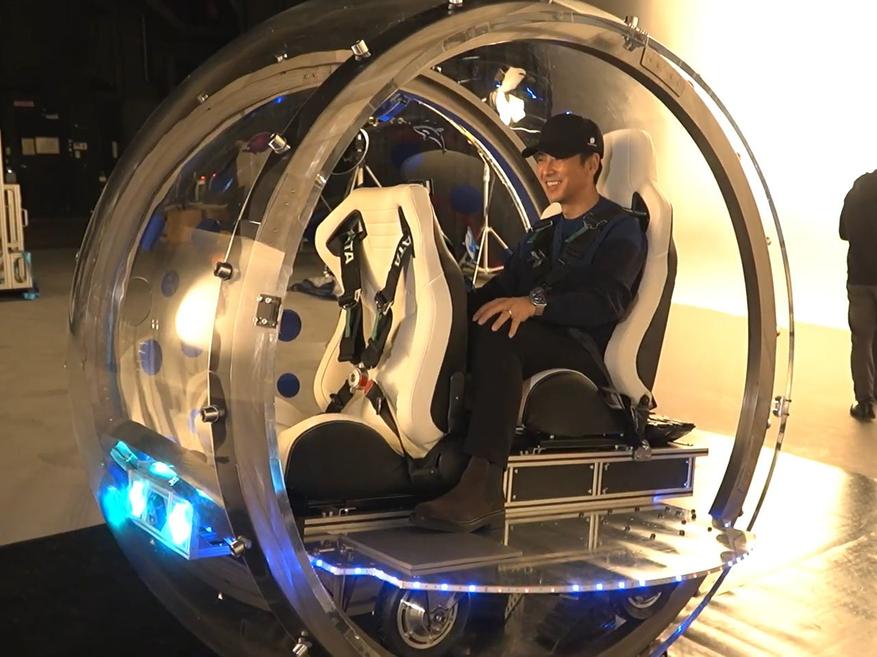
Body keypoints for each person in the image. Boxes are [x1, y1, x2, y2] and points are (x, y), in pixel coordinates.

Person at [412, 114, 647, 532]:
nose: (546, 169)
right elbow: (502, 288)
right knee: (467, 322)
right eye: (541, 159)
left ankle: (484, 485)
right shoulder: (545, 229)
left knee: (502, 330)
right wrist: (443, 307)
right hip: (537, 337)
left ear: (591, 163)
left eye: (558, 159)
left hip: (581, 352)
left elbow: (606, 302)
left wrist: (535, 304)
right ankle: (437, 455)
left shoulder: (621, 229)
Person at [840, 170, 877, 421]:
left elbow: (843, 231)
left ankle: (865, 402)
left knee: (862, 340)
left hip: (860, 278)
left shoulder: (858, 189)